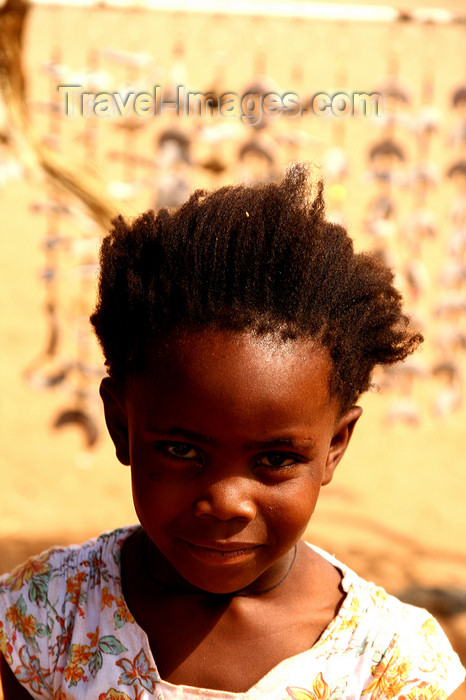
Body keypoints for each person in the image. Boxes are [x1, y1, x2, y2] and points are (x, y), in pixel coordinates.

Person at [0, 164, 464, 699]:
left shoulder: (394, 667)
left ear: (335, 446)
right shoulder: (47, 619)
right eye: (182, 449)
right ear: (121, 426)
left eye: (274, 459)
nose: (225, 502)